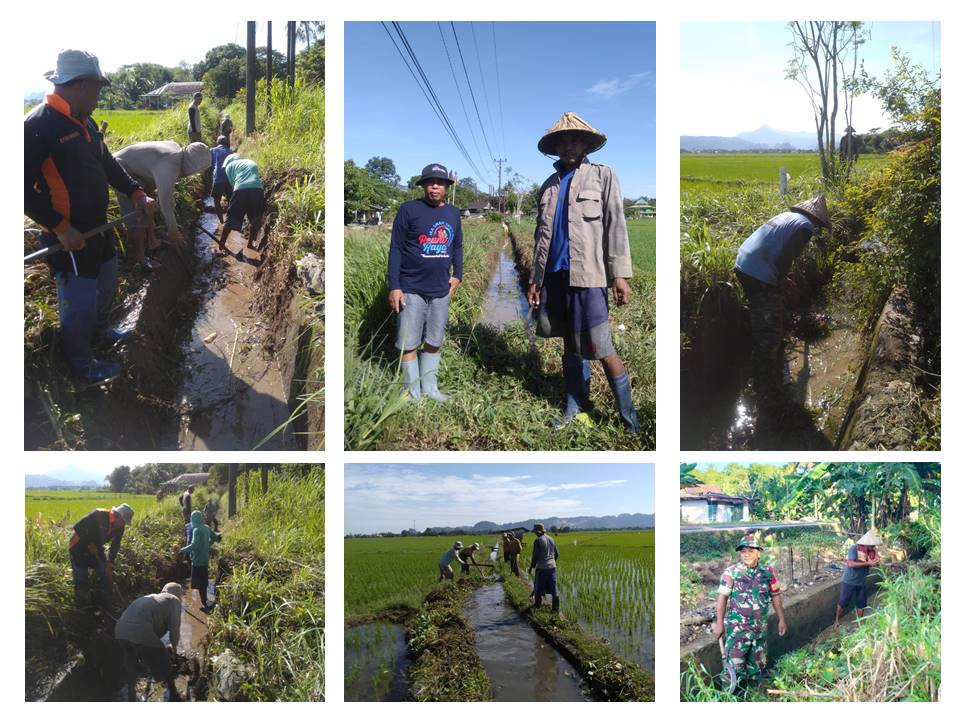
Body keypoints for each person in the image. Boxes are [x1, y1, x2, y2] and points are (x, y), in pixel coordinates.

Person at [24, 49, 156, 382]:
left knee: (106, 285)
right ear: (81, 85)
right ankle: (81, 364)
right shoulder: (38, 126)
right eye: (98, 89)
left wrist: (135, 191)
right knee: (79, 304)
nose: (99, 98)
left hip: (100, 227)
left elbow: (108, 164)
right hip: (70, 238)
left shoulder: (87, 122)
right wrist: (60, 228)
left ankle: (102, 333)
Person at [526, 112, 640, 432]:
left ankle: (629, 418)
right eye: (563, 141)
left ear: (586, 143)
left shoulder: (602, 176)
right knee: (569, 345)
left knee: (602, 347)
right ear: (556, 146)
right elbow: (541, 237)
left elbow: (616, 225)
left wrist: (620, 275)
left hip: (589, 276)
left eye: (575, 139)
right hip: (555, 276)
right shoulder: (548, 186)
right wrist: (536, 279)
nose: (569, 145)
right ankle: (574, 406)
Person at [734, 195, 831, 392]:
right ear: (816, 220)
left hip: (744, 264)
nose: (817, 230)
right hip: (758, 272)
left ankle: (767, 363)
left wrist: (781, 277)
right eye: (819, 226)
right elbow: (787, 255)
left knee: (760, 313)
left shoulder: (787, 216)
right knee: (770, 330)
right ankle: (764, 380)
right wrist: (778, 279)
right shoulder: (805, 227)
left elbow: (776, 250)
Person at [388, 163, 463, 402]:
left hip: (441, 289)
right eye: (430, 183)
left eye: (439, 183)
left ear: (446, 187)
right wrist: (395, 286)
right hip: (411, 287)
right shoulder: (408, 210)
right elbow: (396, 249)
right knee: (408, 343)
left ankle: (430, 388)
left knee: (434, 341)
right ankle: (413, 393)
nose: (435, 187)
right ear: (423, 186)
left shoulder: (453, 213)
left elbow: (458, 246)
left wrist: (458, 273)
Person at [114, 141, 211, 268]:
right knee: (139, 217)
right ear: (192, 166)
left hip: (138, 174)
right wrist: (173, 232)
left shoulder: (177, 150)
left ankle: (152, 242)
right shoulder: (169, 164)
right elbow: (166, 203)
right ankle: (140, 258)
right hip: (119, 172)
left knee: (150, 203)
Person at [714, 534, 788, 692]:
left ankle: (753, 696)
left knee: (757, 669)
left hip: (759, 632)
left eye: (750, 551)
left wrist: (782, 619)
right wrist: (719, 623)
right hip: (737, 634)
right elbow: (722, 599)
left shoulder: (768, 572)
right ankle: (731, 699)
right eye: (743, 551)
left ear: (758, 552)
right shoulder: (731, 573)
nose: (746, 554)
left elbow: (775, 596)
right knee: (733, 672)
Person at [114, 582, 183, 701]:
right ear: (178, 594)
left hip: (120, 629)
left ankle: (131, 694)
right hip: (140, 630)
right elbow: (174, 630)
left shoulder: (154, 597)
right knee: (164, 660)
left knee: (131, 661)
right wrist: (174, 650)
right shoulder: (174, 600)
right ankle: (174, 694)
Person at [69, 503, 134, 607]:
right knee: (81, 577)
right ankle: (83, 606)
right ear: (118, 516)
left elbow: (115, 544)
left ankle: (104, 601)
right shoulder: (98, 514)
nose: (124, 525)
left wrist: (110, 562)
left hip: (96, 547)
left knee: (104, 571)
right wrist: (89, 543)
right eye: (123, 522)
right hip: (79, 547)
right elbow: (78, 527)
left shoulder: (119, 528)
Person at [834, 528, 881, 628]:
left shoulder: (871, 552)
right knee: (843, 602)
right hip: (849, 581)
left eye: (873, 546)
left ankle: (860, 625)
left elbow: (874, 564)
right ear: (866, 543)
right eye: (872, 545)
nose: (873, 547)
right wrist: (868, 563)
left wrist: (876, 562)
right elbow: (850, 563)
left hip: (861, 582)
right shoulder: (854, 549)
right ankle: (836, 620)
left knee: (861, 604)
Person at [218, 153, 264, 252]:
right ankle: (250, 244)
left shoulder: (229, 166)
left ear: (227, 162)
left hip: (240, 189)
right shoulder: (248, 162)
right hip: (258, 190)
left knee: (230, 219)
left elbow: (234, 185)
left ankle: (221, 246)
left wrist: (233, 202)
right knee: (255, 218)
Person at [180, 510, 221, 611]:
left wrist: (182, 550)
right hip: (205, 559)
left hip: (197, 560)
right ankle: (206, 601)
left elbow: (194, 545)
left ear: (193, 519)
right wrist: (207, 545)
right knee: (203, 581)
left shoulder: (196, 530)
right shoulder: (206, 528)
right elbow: (215, 538)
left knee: (200, 583)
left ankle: (205, 603)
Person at [529, 523, 560, 612]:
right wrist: (552, 563)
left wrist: (532, 567)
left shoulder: (538, 541)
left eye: (535, 532)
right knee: (554, 589)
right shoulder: (551, 539)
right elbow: (557, 554)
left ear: (538, 532)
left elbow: (535, 556)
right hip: (552, 567)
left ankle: (537, 605)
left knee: (538, 587)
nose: (535, 533)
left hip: (542, 568)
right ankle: (555, 609)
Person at [210, 135, 233, 224]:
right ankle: (230, 220)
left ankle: (221, 222)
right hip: (229, 178)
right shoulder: (230, 152)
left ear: (217, 142)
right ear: (226, 143)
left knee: (216, 200)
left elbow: (211, 164)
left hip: (218, 179)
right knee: (231, 200)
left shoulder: (213, 150)